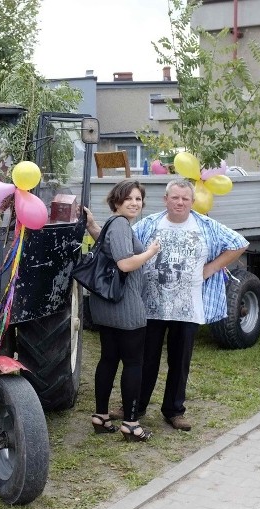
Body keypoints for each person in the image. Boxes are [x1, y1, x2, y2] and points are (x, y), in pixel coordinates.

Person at [131, 178, 249, 431]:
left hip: (188, 308)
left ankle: (174, 410)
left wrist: (210, 268)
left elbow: (239, 243)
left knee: (180, 360)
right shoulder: (150, 224)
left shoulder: (205, 225)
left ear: (193, 202)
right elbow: (122, 243)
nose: (180, 202)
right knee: (146, 358)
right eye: (175, 197)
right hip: (151, 306)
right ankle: (136, 407)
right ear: (166, 200)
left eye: (185, 198)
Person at [83, 179, 160, 442]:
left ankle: (101, 417)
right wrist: (150, 252)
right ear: (117, 201)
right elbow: (125, 263)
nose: (135, 203)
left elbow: (108, 250)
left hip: (107, 306)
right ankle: (131, 424)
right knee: (134, 363)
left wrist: (92, 226)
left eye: (138, 199)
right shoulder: (120, 225)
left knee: (108, 359)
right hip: (125, 308)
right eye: (129, 199)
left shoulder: (112, 225)